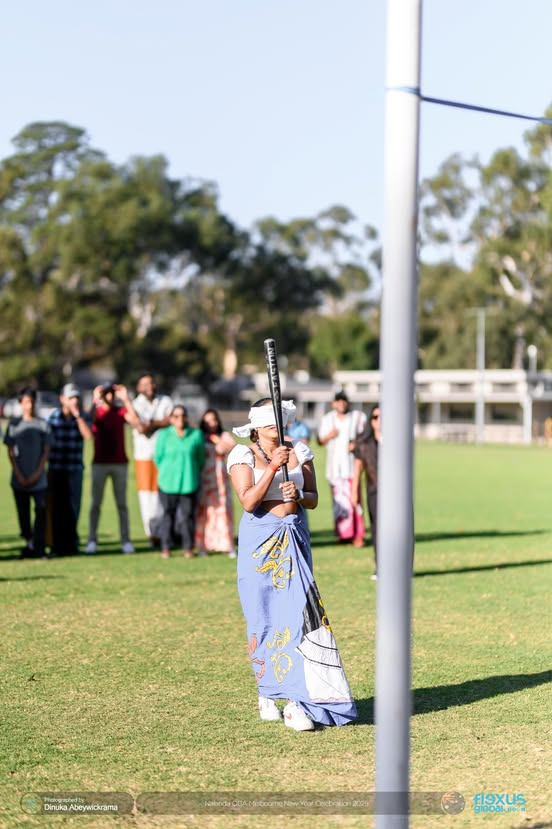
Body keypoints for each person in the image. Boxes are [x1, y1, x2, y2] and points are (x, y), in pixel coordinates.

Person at [228, 398, 357, 731]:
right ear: (255, 425)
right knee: (264, 616)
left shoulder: (300, 450)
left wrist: (298, 496)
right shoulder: (243, 455)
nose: (274, 424)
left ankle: (297, 702)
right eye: (267, 420)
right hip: (260, 544)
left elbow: (313, 497)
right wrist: (272, 467)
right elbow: (247, 501)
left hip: (295, 538)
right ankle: (267, 692)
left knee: (300, 617)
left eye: (277, 419)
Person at [85, 383, 141, 555]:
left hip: (119, 463)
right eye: (106, 394)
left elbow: (136, 421)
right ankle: (92, 540)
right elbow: (88, 423)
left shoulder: (120, 411)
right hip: (100, 463)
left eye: (111, 394)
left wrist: (125, 399)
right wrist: (95, 399)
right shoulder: (98, 411)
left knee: (122, 504)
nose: (109, 397)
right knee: (95, 504)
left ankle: (126, 541)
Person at [4, 387, 52, 559]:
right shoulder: (14, 425)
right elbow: (10, 452)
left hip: (38, 479)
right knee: (23, 515)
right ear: (20, 404)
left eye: (31, 401)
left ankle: (39, 547)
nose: (29, 405)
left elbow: (46, 452)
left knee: (40, 512)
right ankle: (29, 544)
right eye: (25, 402)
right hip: (19, 479)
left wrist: (37, 474)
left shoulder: (43, 425)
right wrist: (18, 474)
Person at [154, 405, 206, 559]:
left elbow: (200, 458)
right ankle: (166, 547)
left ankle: (188, 547)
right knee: (167, 515)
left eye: (182, 415)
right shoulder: (164, 435)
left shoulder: (196, 435)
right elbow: (158, 457)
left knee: (188, 516)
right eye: (176, 416)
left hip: (189, 482)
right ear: (171, 419)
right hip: (167, 482)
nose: (180, 419)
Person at [47, 383, 93, 555]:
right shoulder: (53, 419)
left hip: (74, 469)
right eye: (70, 398)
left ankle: (72, 543)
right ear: (62, 399)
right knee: (57, 508)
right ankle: (56, 545)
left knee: (74, 507)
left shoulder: (81, 417)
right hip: (56, 469)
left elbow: (88, 436)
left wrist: (77, 416)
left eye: (76, 398)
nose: (74, 401)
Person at [317, 391, 367, 547]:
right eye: (338, 401)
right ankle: (343, 535)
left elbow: (366, 436)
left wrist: (356, 445)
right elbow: (320, 440)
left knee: (355, 500)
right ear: (333, 403)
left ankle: (358, 535)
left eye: (344, 400)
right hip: (335, 469)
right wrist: (329, 436)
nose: (341, 403)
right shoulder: (327, 419)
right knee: (339, 504)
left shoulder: (357, 417)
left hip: (352, 467)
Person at [131, 373, 173, 544]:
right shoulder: (135, 404)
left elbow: (171, 419)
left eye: (152, 382)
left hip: (165, 454)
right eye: (145, 384)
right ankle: (152, 533)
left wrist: (154, 423)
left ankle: (164, 531)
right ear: (139, 388)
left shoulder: (165, 400)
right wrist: (158, 422)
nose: (150, 386)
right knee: (146, 495)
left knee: (161, 493)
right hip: (143, 455)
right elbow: (140, 427)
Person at [194, 409, 237, 558]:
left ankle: (227, 544)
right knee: (204, 512)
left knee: (223, 510)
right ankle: (203, 546)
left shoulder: (223, 436)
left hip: (220, 478)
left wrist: (218, 441)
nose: (211, 424)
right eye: (207, 421)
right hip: (204, 478)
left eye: (213, 420)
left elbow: (233, 448)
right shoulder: (199, 437)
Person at [351, 403, 380, 578]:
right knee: (377, 530)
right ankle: (380, 567)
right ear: (371, 421)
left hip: (398, 495)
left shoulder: (396, 441)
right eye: (376, 417)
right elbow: (358, 469)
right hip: (375, 492)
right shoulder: (364, 444)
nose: (380, 421)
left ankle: (403, 567)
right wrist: (354, 492)